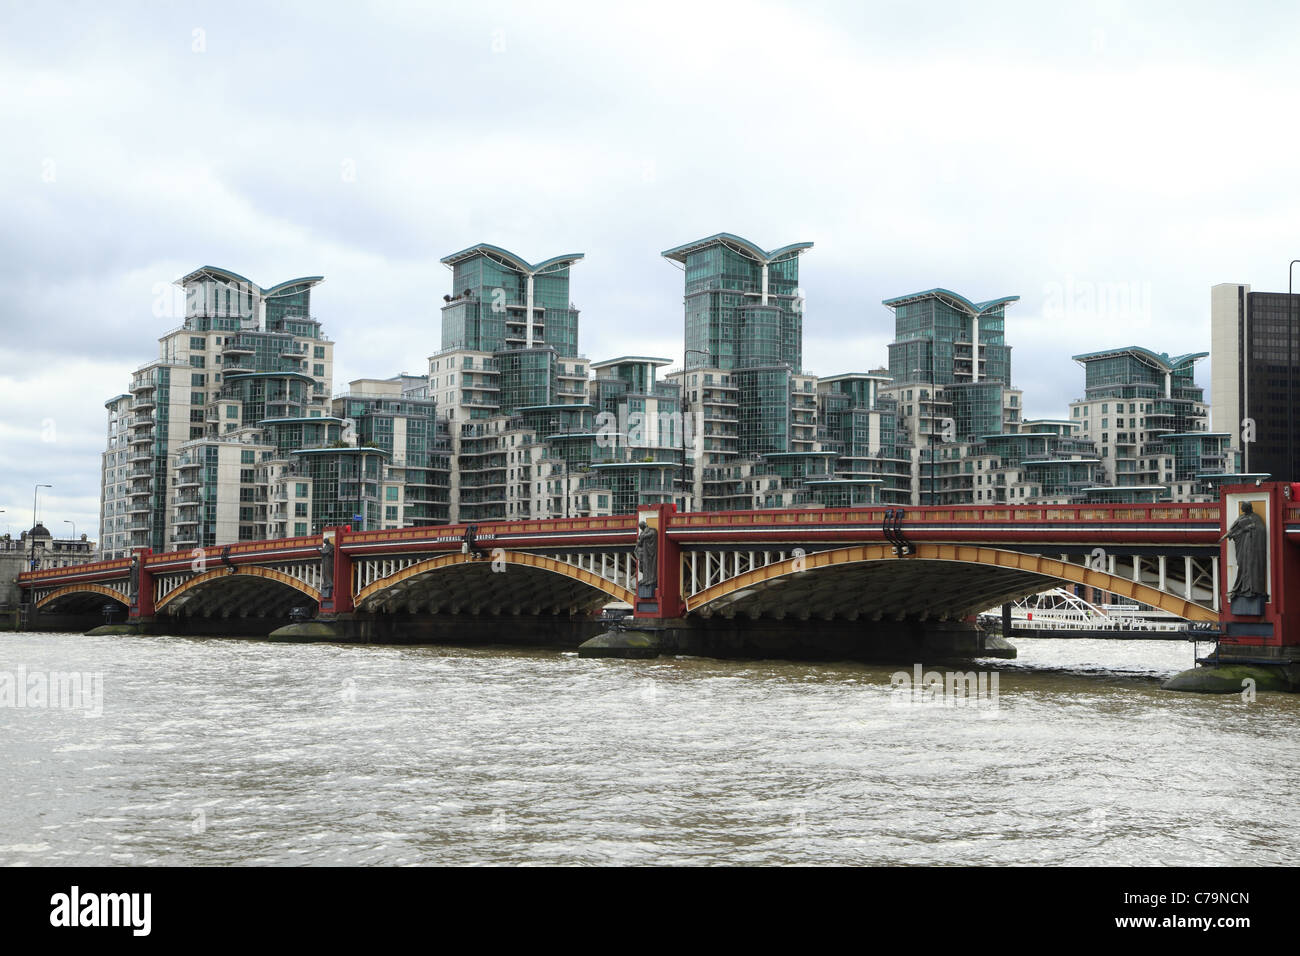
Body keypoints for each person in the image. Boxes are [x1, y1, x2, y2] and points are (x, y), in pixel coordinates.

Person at [1221, 501, 1267, 600]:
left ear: (1247, 508)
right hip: (1243, 545)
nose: (1241, 509)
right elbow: (1233, 530)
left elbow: (1261, 530)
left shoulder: (1256, 517)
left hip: (1252, 546)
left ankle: (1251, 589)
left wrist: (1249, 528)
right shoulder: (1241, 517)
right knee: (1242, 564)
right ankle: (1242, 587)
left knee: (1250, 565)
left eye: (1243, 507)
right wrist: (1228, 535)